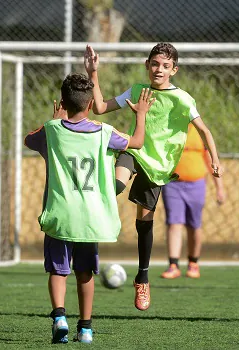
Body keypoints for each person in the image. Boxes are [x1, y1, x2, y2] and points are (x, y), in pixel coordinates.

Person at [84, 43, 223, 311]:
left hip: (158, 166)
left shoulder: (182, 99)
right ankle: (88, 237)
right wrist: (94, 73)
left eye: (165, 66)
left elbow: (205, 131)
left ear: (174, 70)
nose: (159, 69)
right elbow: (100, 108)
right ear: (147, 65)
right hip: (134, 150)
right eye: (155, 64)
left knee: (144, 222)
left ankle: (143, 278)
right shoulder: (137, 91)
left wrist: (215, 159)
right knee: (113, 187)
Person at [24, 73, 154, 344]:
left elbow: (28, 139)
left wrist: (55, 119)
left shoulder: (51, 130)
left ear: (62, 102)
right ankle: (85, 329)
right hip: (91, 217)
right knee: (85, 273)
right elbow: (137, 142)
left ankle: (59, 317)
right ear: (88, 105)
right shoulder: (104, 132)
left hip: (60, 214)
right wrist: (141, 114)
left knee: (58, 271)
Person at [160, 124, 226, 279]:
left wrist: (220, 187)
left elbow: (209, 158)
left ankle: (193, 263)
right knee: (174, 223)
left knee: (194, 225)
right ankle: (173, 265)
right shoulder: (168, 129)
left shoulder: (199, 131)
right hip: (172, 184)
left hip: (196, 184)